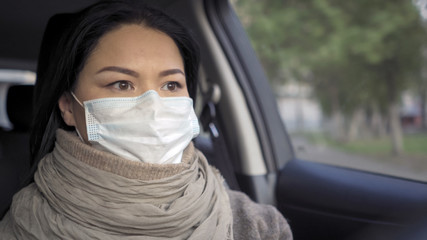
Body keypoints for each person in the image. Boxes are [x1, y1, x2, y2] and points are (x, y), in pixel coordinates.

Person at [0, 1, 293, 239]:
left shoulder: (260, 227)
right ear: (68, 107)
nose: (153, 106)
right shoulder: (20, 226)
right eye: (122, 84)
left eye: (171, 85)